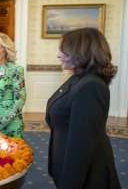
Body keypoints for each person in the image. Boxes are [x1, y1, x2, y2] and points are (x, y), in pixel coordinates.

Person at [46, 28, 121, 189]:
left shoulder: (90, 86)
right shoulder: (79, 79)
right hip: (70, 167)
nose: (59, 55)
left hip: (87, 177)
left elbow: (81, 146)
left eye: (64, 50)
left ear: (81, 52)